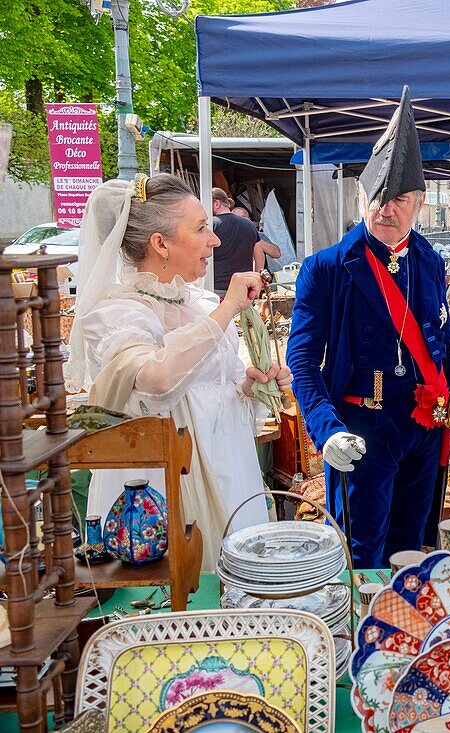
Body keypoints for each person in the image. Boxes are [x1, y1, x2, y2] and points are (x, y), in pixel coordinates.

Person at [286, 87, 450, 567]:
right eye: (377, 197)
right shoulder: (326, 268)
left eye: (399, 199)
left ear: (419, 201)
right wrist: (325, 429)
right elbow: (303, 361)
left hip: (424, 426)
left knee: (413, 552)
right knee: (360, 556)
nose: (386, 209)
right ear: (360, 195)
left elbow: (443, 349)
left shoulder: (431, 262)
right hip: (360, 429)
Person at [66, 174, 292, 570]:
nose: (214, 240)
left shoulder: (198, 304)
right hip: (169, 489)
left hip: (227, 470)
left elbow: (204, 390)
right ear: (160, 243)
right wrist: (228, 309)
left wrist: (248, 386)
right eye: (201, 228)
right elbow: (157, 377)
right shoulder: (119, 312)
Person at [211, 188, 263, 295]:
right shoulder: (249, 225)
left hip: (217, 289)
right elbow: (259, 256)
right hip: (243, 288)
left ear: (216, 204)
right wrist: (257, 282)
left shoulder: (211, 225)